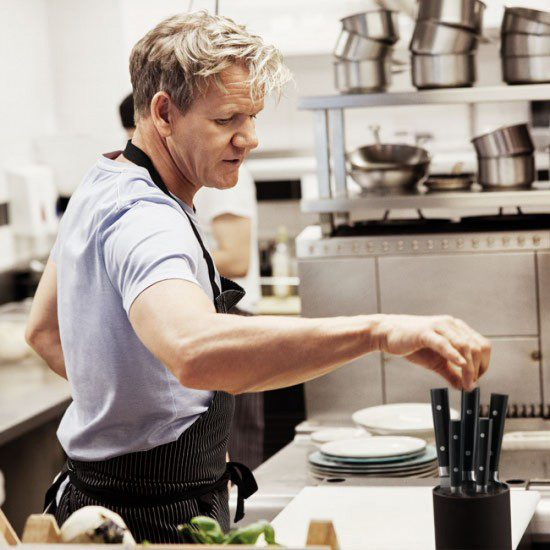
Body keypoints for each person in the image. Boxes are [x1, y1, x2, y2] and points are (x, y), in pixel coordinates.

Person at [26, 11, 491, 544]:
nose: (249, 138)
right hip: (153, 521)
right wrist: (378, 332)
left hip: (89, 498)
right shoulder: (147, 219)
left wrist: (135, 413)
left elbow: (43, 332)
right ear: (164, 113)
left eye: (253, 116)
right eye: (227, 119)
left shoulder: (102, 181)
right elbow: (196, 350)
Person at [118, 92, 264, 469]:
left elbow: (238, 257)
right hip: (186, 323)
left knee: (235, 458)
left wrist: (159, 262)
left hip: (231, 318)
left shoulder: (219, 171)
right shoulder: (129, 190)